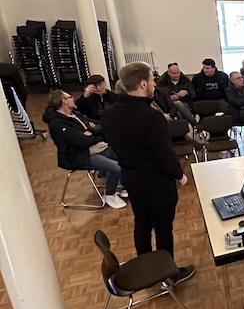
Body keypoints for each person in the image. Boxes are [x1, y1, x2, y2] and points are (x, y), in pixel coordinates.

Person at [101, 61, 194, 279]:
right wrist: (179, 175)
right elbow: (164, 153)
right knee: (163, 229)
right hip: (157, 183)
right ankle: (168, 274)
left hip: (131, 178)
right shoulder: (151, 117)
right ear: (143, 84)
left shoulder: (109, 114)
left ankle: (146, 269)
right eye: (152, 80)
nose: (154, 84)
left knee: (141, 224)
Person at [43, 90, 126, 208]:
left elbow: (99, 124)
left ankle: (127, 186)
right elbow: (81, 141)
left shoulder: (75, 114)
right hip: (79, 156)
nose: (73, 98)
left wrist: (92, 132)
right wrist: (97, 134)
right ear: (64, 101)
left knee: (126, 155)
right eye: (70, 97)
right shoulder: (57, 124)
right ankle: (109, 194)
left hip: (95, 148)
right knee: (116, 168)